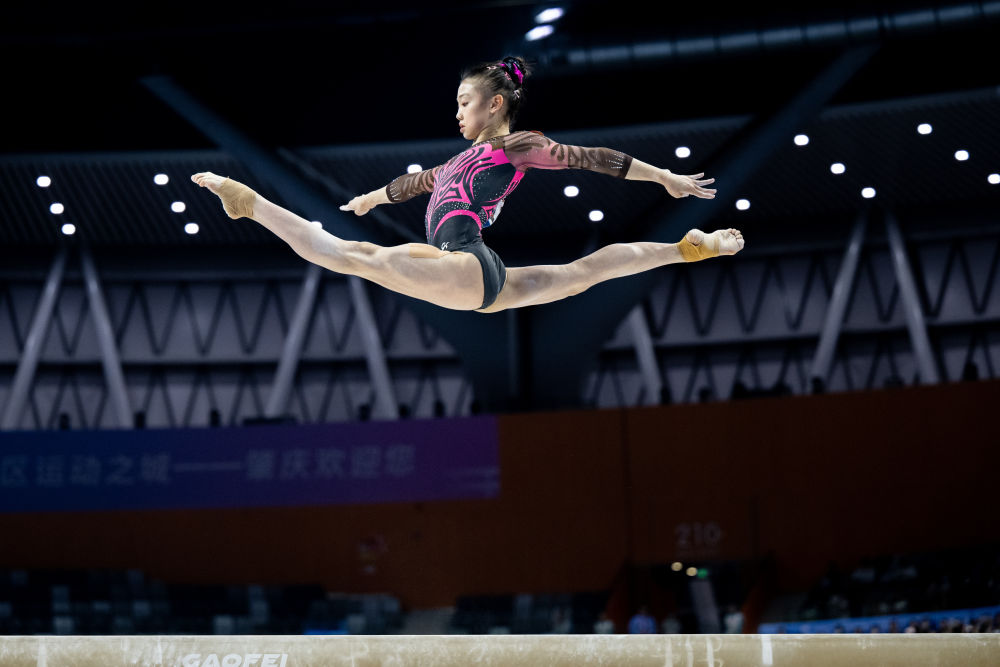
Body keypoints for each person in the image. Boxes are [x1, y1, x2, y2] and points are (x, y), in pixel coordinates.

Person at [192, 56, 741, 313]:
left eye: (464, 102)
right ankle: (684, 250)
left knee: (354, 257)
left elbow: (592, 158)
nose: (457, 113)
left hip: (465, 263)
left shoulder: (516, 146)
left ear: (495, 104)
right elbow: (414, 184)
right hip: (480, 279)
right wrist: (371, 198)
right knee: (582, 275)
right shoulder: (459, 161)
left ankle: (251, 203)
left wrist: (664, 177)